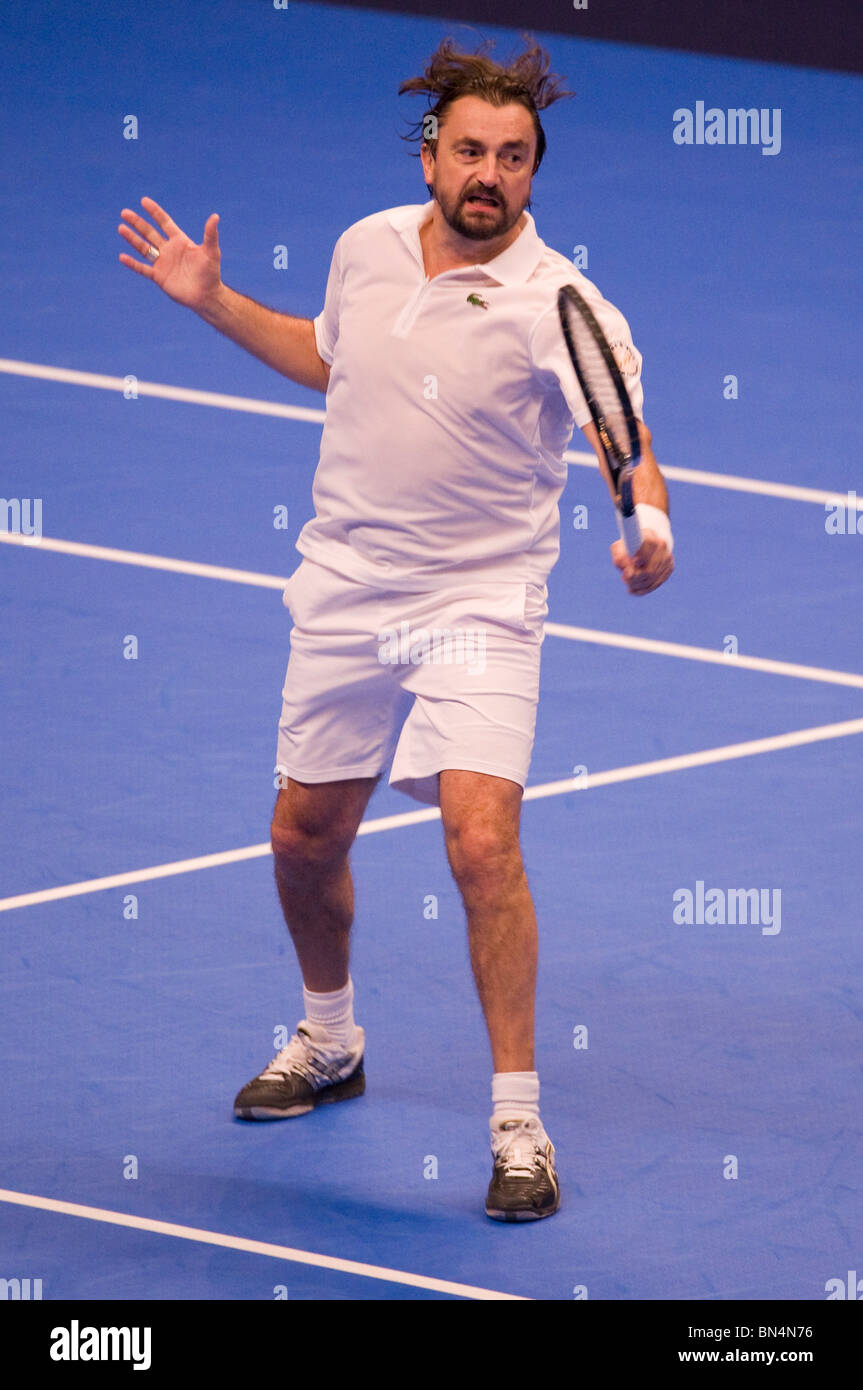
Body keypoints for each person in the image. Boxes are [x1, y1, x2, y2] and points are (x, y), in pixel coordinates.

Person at [117, 34, 673, 1223]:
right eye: (470, 149)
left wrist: (646, 516)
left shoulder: (557, 301)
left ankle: (517, 1117)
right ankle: (330, 1041)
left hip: (477, 601)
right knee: (302, 837)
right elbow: (333, 364)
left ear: (533, 172)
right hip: (345, 587)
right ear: (431, 154)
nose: (489, 173)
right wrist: (214, 301)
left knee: (479, 842)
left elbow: (619, 429)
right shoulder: (365, 248)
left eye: (512, 158)